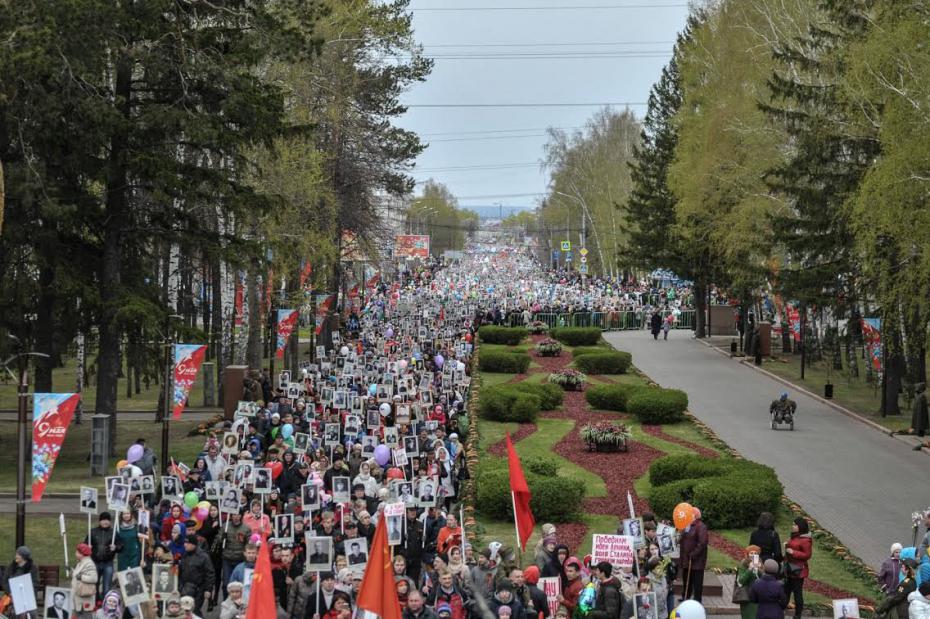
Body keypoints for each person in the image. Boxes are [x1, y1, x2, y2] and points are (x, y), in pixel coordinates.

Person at [86, 512, 122, 601]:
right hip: (95, 563)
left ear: (110, 522)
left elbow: (121, 545)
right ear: (100, 521)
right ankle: (95, 602)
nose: (105, 522)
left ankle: (105, 604)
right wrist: (88, 547)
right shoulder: (93, 532)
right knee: (94, 585)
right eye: (103, 520)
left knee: (107, 586)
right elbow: (84, 545)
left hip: (108, 563)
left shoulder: (113, 533)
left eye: (107, 520)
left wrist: (116, 547)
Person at [178, 533, 215, 614]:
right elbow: (181, 571)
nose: (185, 545)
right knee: (185, 610)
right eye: (184, 542)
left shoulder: (203, 557)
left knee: (195, 611)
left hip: (198, 590)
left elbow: (210, 574)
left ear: (194, 544)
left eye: (187, 543)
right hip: (185, 588)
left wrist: (208, 589)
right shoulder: (185, 555)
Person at [679, 508, 708, 603]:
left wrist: (693, 554)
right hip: (687, 560)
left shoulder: (701, 526)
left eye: (689, 514)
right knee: (686, 580)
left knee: (697, 583)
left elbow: (702, 543)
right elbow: (683, 539)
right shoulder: (687, 525)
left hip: (696, 561)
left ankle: (697, 601)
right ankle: (685, 597)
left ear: (694, 515)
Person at [71, 544, 98, 618]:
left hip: (85, 598)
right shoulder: (81, 562)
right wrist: (73, 572)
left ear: (82, 553)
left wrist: (81, 577)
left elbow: (94, 578)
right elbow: (78, 574)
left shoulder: (89, 563)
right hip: (79, 597)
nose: (75, 553)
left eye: (77, 552)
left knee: (85, 616)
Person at [736, 546, 761, 619]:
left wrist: (759, 570)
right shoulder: (743, 564)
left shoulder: (760, 563)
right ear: (747, 554)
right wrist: (750, 569)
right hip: (747, 596)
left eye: (755, 553)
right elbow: (741, 581)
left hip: (758, 596)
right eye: (751, 553)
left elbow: (764, 578)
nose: (753, 555)